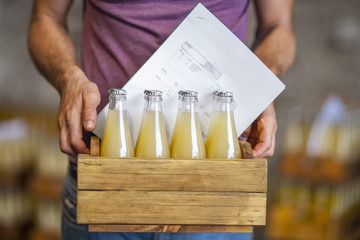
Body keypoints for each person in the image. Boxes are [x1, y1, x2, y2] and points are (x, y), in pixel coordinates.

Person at [28, 0, 296, 239]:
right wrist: (68, 77)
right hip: (104, 186)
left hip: (213, 189)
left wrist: (261, 81)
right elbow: (46, 16)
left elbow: (279, 25)